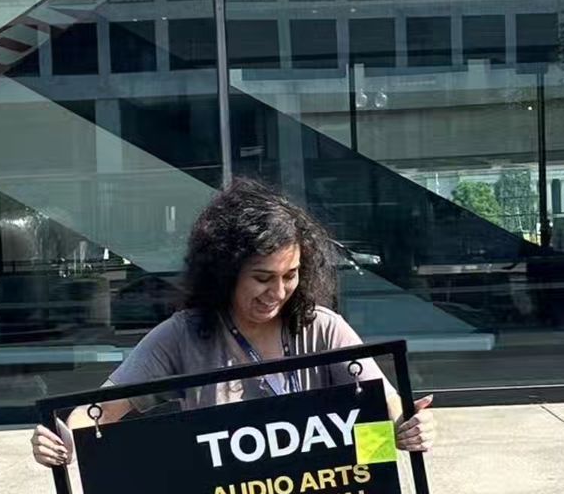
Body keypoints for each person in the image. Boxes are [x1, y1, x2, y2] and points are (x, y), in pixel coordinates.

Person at [31, 180, 434, 467]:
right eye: (262, 278)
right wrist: (66, 440)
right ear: (225, 272)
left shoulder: (322, 328)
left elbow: (384, 403)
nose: (277, 291)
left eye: (290, 275)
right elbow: (100, 411)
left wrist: (403, 427)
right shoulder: (183, 335)